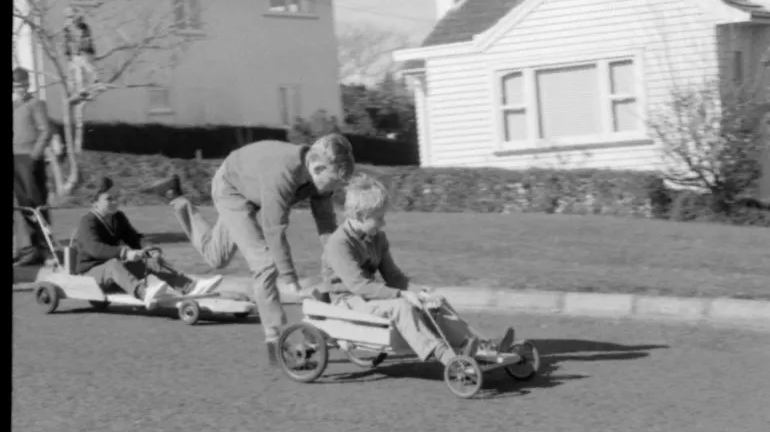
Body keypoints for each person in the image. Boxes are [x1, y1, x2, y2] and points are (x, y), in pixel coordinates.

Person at [141, 134, 355, 368]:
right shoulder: (282, 174)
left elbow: (327, 226)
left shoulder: (319, 176)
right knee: (265, 265)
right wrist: (290, 279)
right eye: (333, 182)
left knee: (216, 257)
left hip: (253, 187)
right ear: (317, 167)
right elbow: (274, 231)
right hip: (231, 187)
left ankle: (174, 195)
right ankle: (277, 342)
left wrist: (343, 263)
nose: (334, 190)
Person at [319, 173, 515, 369]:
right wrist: (402, 295)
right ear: (360, 215)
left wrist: (420, 293)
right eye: (378, 218)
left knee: (434, 301)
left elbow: (394, 277)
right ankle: (447, 357)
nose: (383, 223)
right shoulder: (339, 244)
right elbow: (359, 285)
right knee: (401, 307)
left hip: (368, 296)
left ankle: (479, 345)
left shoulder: (377, 237)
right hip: (348, 301)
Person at [75, 177, 224, 308]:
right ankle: (144, 293)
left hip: (115, 270)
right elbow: (94, 249)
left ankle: (189, 287)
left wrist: (148, 248)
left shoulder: (117, 217)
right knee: (114, 264)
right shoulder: (88, 222)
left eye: (116, 197)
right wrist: (124, 253)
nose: (115, 202)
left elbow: (133, 238)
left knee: (150, 261)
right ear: (94, 201)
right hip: (91, 274)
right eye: (109, 199)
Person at [13, 66, 54, 267]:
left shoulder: (36, 104)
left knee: (36, 204)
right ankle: (29, 251)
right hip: (15, 159)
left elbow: (46, 130)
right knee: (22, 206)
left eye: (22, 85)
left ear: (28, 84)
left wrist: (34, 155)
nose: (19, 89)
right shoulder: (14, 105)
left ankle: (46, 249)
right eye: (16, 85)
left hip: (29, 160)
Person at [63, 6, 105, 103]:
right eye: (69, 18)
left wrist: (88, 49)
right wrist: (68, 54)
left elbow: (87, 39)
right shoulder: (67, 28)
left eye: (72, 18)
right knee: (77, 70)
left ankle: (95, 82)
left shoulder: (83, 27)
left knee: (86, 65)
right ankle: (82, 90)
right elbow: (67, 42)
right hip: (75, 54)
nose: (72, 21)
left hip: (83, 52)